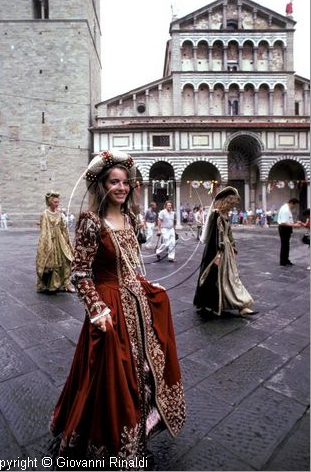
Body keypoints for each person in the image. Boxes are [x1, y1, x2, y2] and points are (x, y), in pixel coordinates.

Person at [49, 151, 185, 465]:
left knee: (143, 372)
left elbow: (129, 267)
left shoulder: (128, 218)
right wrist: (97, 309)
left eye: (125, 182)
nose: (121, 187)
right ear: (102, 185)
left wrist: (148, 287)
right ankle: (109, 445)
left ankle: (138, 437)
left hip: (136, 308)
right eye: (114, 181)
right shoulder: (91, 222)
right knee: (111, 376)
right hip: (108, 309)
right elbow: (80, 271)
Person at [193, 186, 256, 318]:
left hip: (226, 251)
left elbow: (229, 233)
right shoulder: (217, 214)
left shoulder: (225, 214)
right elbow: (216, 237)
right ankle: (214, 304)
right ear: (226, 202)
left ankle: (241, 305)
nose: (233, 206)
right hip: (217, 251)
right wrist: (218, 255)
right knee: (216, 278)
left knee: (231, 278)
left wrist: (233, 248)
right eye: (231, 203)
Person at [36, 192, 75, 293]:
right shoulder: (45, 214)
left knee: (66, 259)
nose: (57, 204)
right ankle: (53, 284)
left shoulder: (60, 214)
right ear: (50, 202)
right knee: (52, 262)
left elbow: (63, 228)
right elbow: (44, 230)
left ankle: (66, 282)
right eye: (55, 202)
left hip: (60, 240)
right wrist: (46, 244)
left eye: (58, 202)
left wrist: (67, 240)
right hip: (50, 240)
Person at [277, 198, 302, 266]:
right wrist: (295, 225)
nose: (294, 207)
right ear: (291, 203)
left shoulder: (286, 208)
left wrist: (295, 223)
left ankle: (286, 259)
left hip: (286, 228)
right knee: (284, 245)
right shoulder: (285, 210)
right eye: (294, 205)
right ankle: (283, 262)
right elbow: (283, 223)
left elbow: (288, 220)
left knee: (286, 245)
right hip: (284, 229)